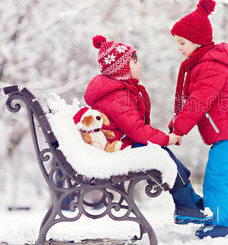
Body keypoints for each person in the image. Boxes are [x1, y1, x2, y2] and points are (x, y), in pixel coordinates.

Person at [84, 35, 213, 224]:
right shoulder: (118, 96)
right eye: (135, 62)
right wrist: (167, 138)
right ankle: (186, 207)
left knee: (170, 160)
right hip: (120, 149)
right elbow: (137, 130)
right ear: (122, 69)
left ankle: (189, 201)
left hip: (123, 145)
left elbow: (136, 129)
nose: (140, 66)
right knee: (164, 155)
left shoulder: (119, 92)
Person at [168, 0, 228, 239]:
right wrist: (177, 124)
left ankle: (222, 225)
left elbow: (198, 102)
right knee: (215, 175)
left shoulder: (211, 67)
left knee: (218, 177)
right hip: (226, 131)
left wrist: (180, 129)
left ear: (197, 41)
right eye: (177, 43)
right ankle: (217, 220)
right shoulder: (203, 64)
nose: (180, 47)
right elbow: (192, 100)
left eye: (182, 42)